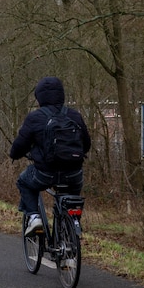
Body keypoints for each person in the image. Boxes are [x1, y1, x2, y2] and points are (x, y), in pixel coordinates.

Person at [9, 76, 92, 236]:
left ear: (39, 96)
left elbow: (20, 144)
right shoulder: (74, 115)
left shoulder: (35, 117)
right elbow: (86, 144)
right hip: (73, 174)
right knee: (72, 198)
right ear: (62, 94)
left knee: (24, 182)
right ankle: (72, 224)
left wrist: (14, 154)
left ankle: (34, 218)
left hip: (45, 174)